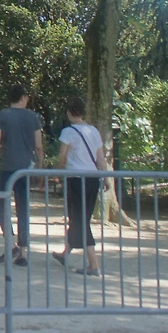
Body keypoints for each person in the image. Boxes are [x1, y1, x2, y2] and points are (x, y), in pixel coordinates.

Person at [0, 84, 44, 267]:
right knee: (23, 208)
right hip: (26, 168)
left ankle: (11, 244)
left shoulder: (2, 116)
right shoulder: (33, 117)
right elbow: (39, 146)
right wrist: (41, 167)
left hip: (7, 167)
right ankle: (23, 253)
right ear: (23, 97)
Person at [52, 97, 106, 276]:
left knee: (80, 219)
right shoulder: (94, 131)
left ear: (70, 112)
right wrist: (106, 178)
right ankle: (65, 253)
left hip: (76, 178)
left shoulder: (68, 132)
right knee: (80, 217)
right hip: (93, 178)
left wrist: (57, 172)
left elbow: (63, 156)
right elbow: (100, 157)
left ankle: (93, 264)